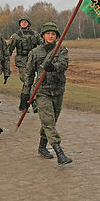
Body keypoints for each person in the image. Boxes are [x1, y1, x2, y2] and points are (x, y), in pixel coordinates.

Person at [25, 22, 72, 165]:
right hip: (42, 91)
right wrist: (25, 93)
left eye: (53, 34)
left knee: (51, 121)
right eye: (48, 34)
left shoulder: (62, 50)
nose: (51, 36)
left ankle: (42, 147)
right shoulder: (35, 52)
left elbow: (64, 64)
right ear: (43, 36)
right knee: (48, 122)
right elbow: (29, 73)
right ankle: (60, 153)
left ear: (57, 36)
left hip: (57, 90)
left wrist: (53, 67)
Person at [9, 15, 42, 112]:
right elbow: (8, 50)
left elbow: (44, 44)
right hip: (22, 63)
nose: (23, 23)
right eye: (22, 22)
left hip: (33, 61)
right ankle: (34, 101)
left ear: (29, 24)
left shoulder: (35, 35)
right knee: (27, 80)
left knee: (28, 83)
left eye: (25, 21)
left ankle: (23, 104)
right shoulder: (16, 36)